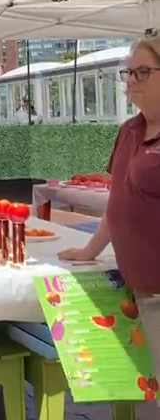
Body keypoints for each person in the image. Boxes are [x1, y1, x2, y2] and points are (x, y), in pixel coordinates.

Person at [57, 36, 160, 384]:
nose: (131, 80)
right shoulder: (129, 131)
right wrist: (89, 250)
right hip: (140, 291)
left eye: (142, 71)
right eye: (128, 72)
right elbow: (117, 204)